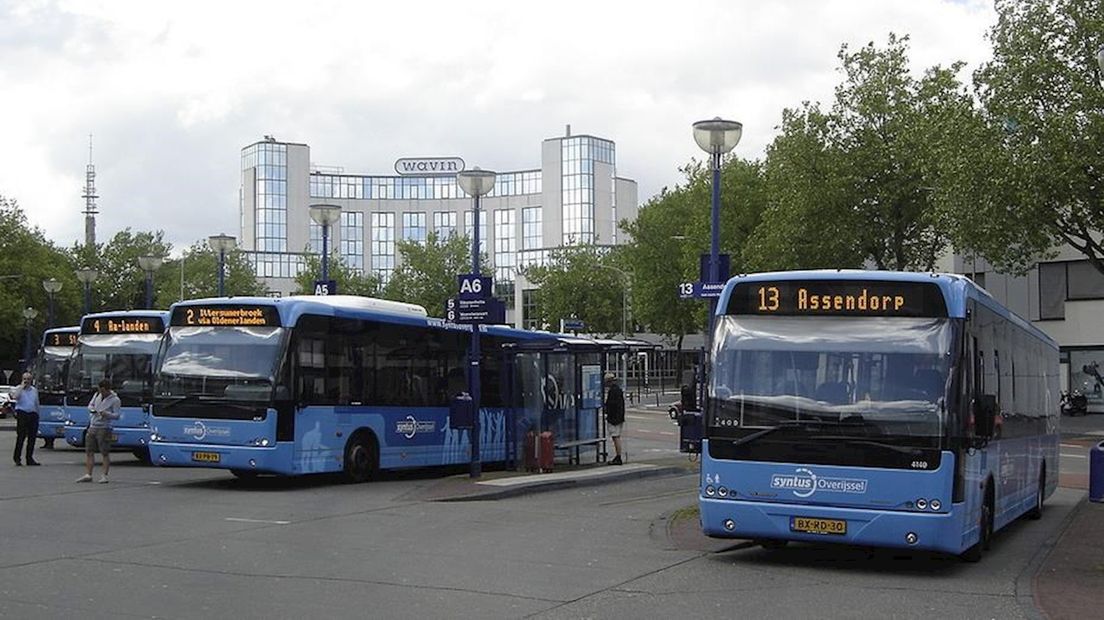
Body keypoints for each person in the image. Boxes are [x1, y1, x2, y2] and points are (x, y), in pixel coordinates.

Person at [76, 379, 121, 484]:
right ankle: (88, 474)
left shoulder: (115, 400)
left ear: (107, 389)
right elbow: (90, 405)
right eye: (100, 391)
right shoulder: (97, 395)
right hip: (93, 425)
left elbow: (117, 415)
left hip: (104, 427)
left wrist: (106, 414)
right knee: (89, 451)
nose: (101, 393)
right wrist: (92, 409)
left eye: (103, 391)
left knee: (104, 451)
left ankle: (104, 475)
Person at [10, 372, 41, 466]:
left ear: (31, 380)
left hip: (33, 414)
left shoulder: (34, 390)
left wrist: (38, 413)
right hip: (22, 414)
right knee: (21, 437)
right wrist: (21, 387)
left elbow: (36, 402)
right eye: (25, 379)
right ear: (22, 379)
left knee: (32, 438)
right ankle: (17, 458)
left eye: (28, 379)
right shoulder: (18, 389)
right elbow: (15, 397)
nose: (26, 381)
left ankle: (29, 458)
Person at [604, 372, 625, 465]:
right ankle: (618, 456)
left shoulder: (613, 391)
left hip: (614, 418)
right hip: (618, 417)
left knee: (615, 437)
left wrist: (607, 411)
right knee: (616, 437)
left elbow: (612, 405)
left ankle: (618, 456)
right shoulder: (618, 390)